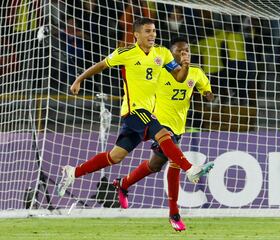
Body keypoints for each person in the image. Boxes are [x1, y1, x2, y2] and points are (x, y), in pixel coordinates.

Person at [57, 17, 214, 197]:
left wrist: (185, 66)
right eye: (147, 31)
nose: (152, 35)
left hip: (146, 111)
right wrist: (79, 80)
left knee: (116, 156)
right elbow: (101, 65)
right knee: (163, 134)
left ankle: (73, 172)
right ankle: (190, 168)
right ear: (136, 35)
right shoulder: (126, 53)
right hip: (134, 110)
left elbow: (179, 77)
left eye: (154, 31)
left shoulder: (162, 53)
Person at [112, 37, 214, 231]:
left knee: (155, 165)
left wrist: (208, 95)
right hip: (157, 124)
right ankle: (174, 214)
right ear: (170, 54)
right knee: (175, 162)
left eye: (186, 51)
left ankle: (123, 183)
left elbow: (208, 93)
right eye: (179, 51)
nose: (183, 54)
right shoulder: (160, 71)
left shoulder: (197, 73)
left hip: (177, 127)